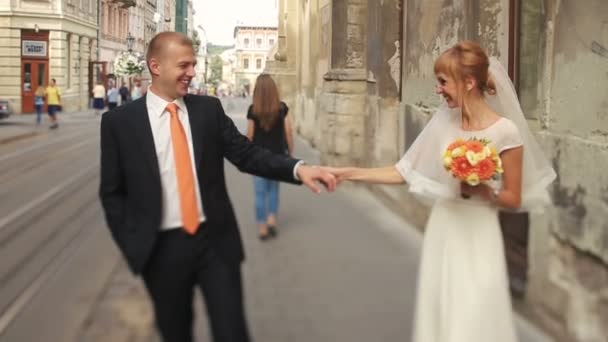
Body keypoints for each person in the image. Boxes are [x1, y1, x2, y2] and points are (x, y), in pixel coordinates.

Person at [99, 31, 336, 342]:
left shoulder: (207, 110)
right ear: (156, 66)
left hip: (216, 244)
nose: (193, 73)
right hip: (162, 250)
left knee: (232, 333)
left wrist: (298, 168)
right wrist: (136, 248)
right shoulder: (120, 123)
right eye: (184, 65)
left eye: (194, 65)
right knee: (176, 333)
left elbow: (247, 154)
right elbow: (112, 193)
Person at [324, 41, 556, 342]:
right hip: (445, 229)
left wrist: (485, 190)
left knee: (476, 314)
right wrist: (348, 173)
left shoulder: (506, 132)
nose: (438, 90)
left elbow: (513, 198)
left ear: (469, 82)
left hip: (480, 234)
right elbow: (402, 171)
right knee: (442, 312)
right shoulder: (443, 123)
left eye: (443, 82)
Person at [246, 74, 293, 240]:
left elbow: (250, 136)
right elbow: (288, 132)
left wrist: (246, 156)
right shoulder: (281, 108)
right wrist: (290, 153)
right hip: (278, 156)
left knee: (260, 193)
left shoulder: (253, 110)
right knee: (273, 189)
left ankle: (262, 228)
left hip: (258, 158)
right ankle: (272, 220)